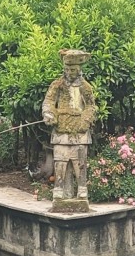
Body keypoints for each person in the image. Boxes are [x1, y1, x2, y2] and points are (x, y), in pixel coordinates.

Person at [41, 49, 97, 208]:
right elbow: (48, 102)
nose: (70, 72)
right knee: (60, 161)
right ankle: (58, 191)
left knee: (80, 162)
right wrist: (49, 114)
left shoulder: (85, 87)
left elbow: (91, 106)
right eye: (67, 69)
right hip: (61, 129)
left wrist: (86, 120)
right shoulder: (57, 85)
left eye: (73, 70)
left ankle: (82, 190)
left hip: (80, 130)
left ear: (79, 70)